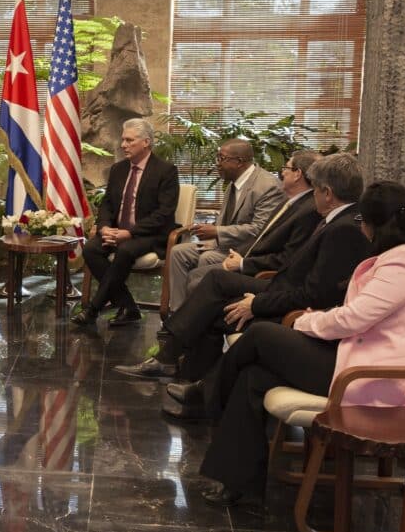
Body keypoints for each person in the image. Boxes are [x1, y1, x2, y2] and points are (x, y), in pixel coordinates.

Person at [196, 181, 405, 506]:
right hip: (354, 358)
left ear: (374, 223)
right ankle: (237, 480)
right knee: (253, 376)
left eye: (362, 221)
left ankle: (209, 396)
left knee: (261, 335)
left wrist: (304, 320)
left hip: (369, 376)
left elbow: (352, 319)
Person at [116, 153, 372, 384]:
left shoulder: (344, 229)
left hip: (291, 302)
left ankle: (175, 362)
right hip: (280, 286)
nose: (313, 193)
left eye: (315, 189)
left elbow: (314, 292)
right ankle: (185, 372)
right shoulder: (342, 219)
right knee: (216, 284)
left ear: (327, 193)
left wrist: (258, 302)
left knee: (216, 297)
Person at [71, 117, 178, 327]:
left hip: (150, 234)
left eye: (129, 140)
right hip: (117, 231)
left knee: (126, 250)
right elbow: (108, 205)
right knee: (91, 249)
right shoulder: (118, 169)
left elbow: (164, 213)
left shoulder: (165, 171)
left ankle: (93, 309)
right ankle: (128, 306)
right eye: (123, 140)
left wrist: (130, 232)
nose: (123, 145)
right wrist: (104, 227)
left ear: (146, 142)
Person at [166, 138, 283, 313]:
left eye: (222, 158)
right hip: (224, 245)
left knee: (207, 258)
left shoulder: (267, 186)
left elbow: (259, 230)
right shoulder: (233, 183)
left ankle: (198, 314)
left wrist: (217, 232)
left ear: (239, 162)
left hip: (245, 251)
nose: (217, 164)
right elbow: (227, 220)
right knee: (178, 252)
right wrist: (210, 232)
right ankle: (178, 312)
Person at [213, 149, 322, 278]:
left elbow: (287, 257)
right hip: (247, 258)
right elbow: (262, 237)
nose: (282, 172)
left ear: (297, 173)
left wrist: (242, 263)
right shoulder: (289, 202)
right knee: (201, 273)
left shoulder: (309, 211)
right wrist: (237, 255)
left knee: (204, 277)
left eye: (286, 167)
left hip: (263, 273)